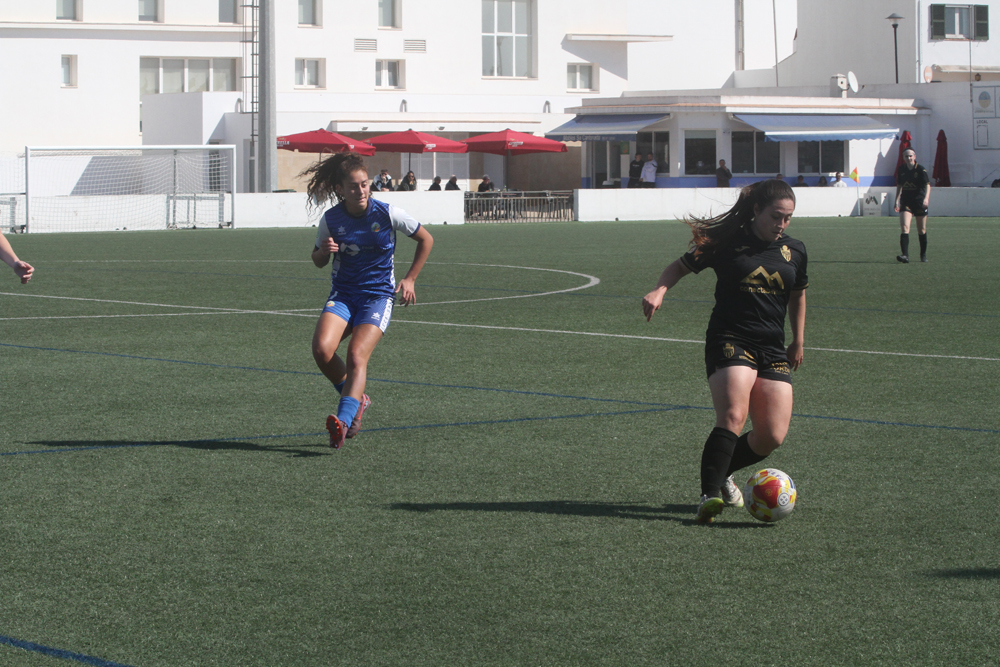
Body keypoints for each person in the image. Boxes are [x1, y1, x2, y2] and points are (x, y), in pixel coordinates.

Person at [642, 179, 808, 524]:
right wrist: (659, 290)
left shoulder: (795, 250)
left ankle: (722, 472)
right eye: (776, 216)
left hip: (772, 346)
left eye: (788, 218)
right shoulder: (727, 242)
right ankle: (709, 496)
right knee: (734, 415)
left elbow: (798, 295)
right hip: (730, 338)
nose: (782, 224)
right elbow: (679, 266)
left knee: (771, 436)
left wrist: (798, 340)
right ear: (757, 210)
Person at [302, 152, 434, 449]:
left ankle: (344, 420)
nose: (360, 191)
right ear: (340, 189)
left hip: (377, 297)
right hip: (343, 295)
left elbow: (426, 239)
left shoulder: (388, 213)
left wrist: (410, 278)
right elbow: (317, 260)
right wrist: (323, 252)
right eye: (353, 186)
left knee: (356, 356)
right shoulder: (331, 219)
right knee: (322, 351)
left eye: (364, 184)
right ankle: (357, 400)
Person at [894, 148, 931, 263]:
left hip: (919, 201)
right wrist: (896, 200)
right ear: (903, 158)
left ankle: (923, 255)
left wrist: (926, 199)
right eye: (906, 156)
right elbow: (899, 185)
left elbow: (928, 185)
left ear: (914, 156)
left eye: (910, 156)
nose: (908, 158)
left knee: (922, 230)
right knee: (905, 227)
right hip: (906, 201)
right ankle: (905, 255)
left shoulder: (920, 169)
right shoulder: (901, 169)